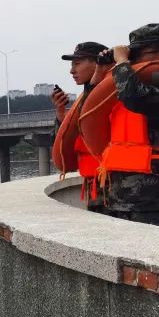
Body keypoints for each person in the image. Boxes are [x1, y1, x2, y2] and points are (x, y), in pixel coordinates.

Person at [96, 23, 159, 228]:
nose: (133, 60)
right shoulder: (129, 92)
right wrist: (102, 72)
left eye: (138, 54)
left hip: (153, 204)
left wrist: (121, 61)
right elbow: (91, 113)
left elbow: (134, 96)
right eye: (131, 55)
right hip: (119, 201)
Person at [51, 41, 111, 205]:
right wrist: (61, 112)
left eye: (77, 63)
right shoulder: (86, 97)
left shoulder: (112, 92)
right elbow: (74, 137)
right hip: (95, 183)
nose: (72, 71)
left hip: (112, 184)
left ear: (98, 63)